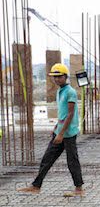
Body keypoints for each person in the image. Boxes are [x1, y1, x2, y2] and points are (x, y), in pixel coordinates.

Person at [19, 63, 84, 196]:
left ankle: (79, 189)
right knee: (47, 158)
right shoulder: (60, 91)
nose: (56, 79)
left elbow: (70, 114)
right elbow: (62, 113)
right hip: (59, 131)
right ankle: (36, 186)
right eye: (54, 77)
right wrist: (56, 127)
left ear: (65, 77)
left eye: (59, 77)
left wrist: (60, 134)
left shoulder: (70, 92)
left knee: (72, 160)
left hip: (68, 133)